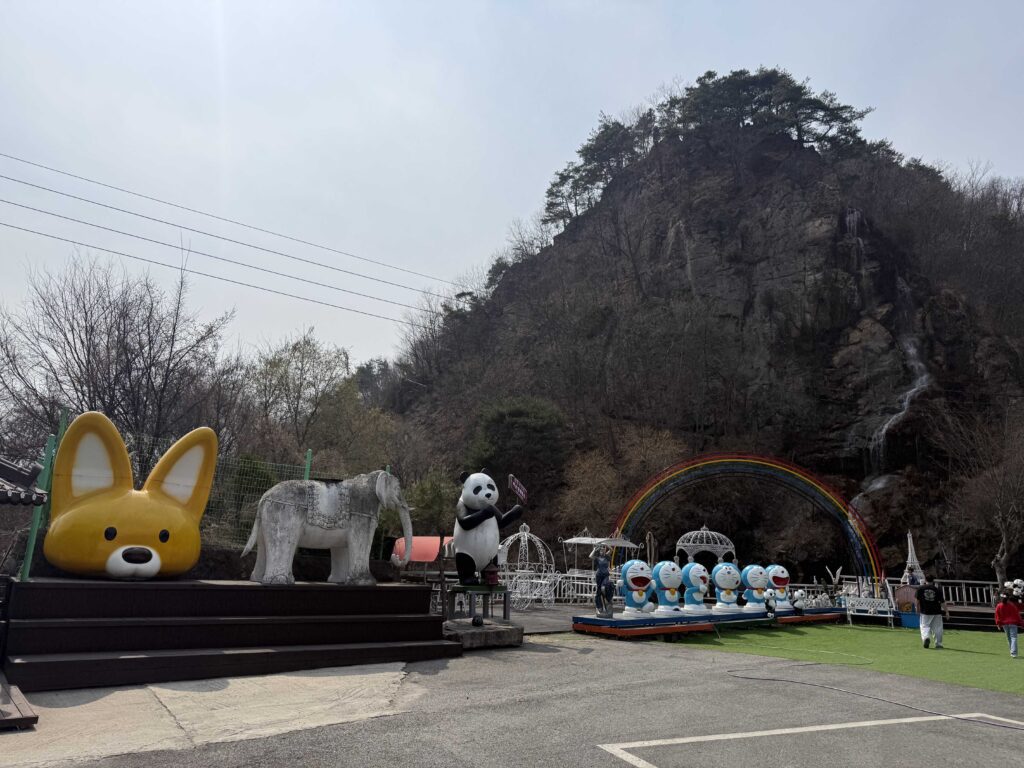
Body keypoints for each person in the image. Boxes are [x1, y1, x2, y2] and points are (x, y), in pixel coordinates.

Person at [915, 574, 946, 649]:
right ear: (933, 581)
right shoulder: (937, 589)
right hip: (937, 611)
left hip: (925, 611)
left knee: (924, 626)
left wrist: (917, 609)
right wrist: (947, 612)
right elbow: (942, 602)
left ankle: (926, 637)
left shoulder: (920, 589)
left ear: (925, 580)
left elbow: (917, 601)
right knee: (938, 628)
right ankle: (939, 644)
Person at [994, 592, 1023, 659]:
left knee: (1009, 638)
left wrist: (998, 624)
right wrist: (1021, 624)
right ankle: (1013, 653)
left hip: (1005, 624)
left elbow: (997, 616)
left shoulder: (999, 605)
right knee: (1013, 638)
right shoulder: (1012, 605)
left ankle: (1012, 652)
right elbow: (1017, 615)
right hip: (1013, 623)